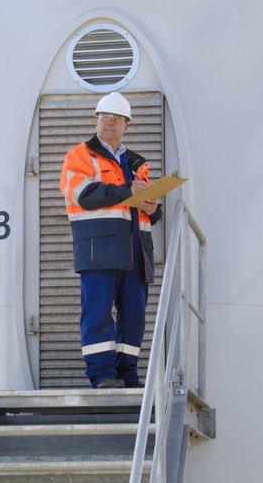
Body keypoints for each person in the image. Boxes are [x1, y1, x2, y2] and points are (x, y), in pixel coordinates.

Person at [58, 91, 162, 388]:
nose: (109, 122)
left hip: (135, 249)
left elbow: (146, 209)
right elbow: (84, 195)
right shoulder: (79, 156)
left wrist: (153, 208)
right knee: (98, 311)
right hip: (98, 247)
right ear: (96, 120)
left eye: (116, 118)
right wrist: (127, 192)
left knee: (134, 315)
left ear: (127, 124)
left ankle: (128, 373)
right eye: (104, 117)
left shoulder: (136, 162)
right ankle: (102, 374)